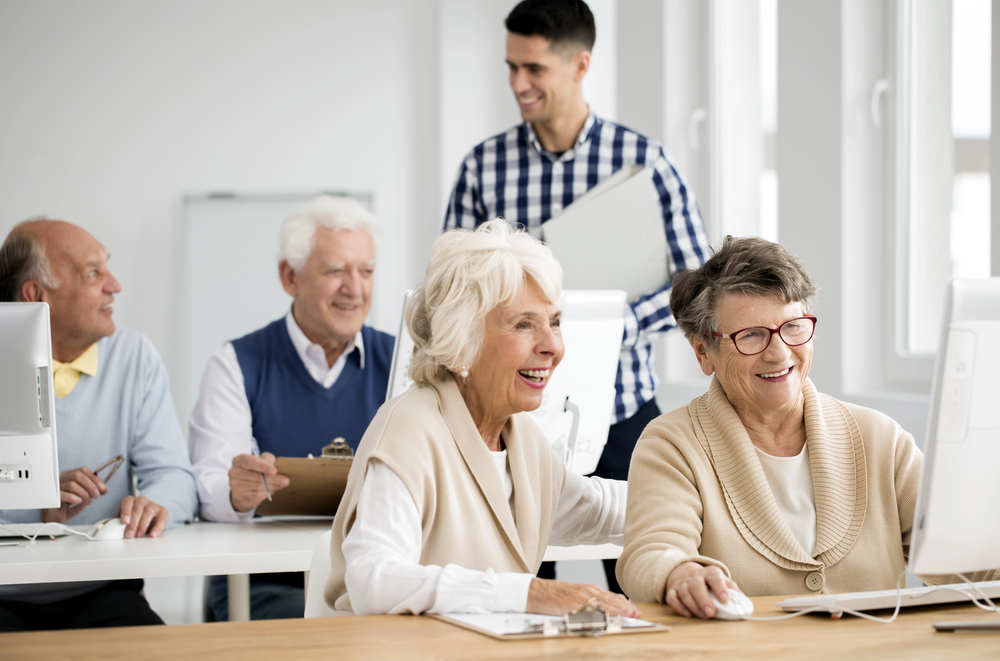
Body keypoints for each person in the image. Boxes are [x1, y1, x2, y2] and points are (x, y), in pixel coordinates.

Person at [443, 0, 709, 592]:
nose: (518, 83)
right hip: (508, 418)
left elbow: (697, 286)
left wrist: (607, 324)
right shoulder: (483, 168)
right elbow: (450, 292)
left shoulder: (644, 162)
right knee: (514, 590)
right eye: (511, 67)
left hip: (622, 412)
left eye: (533, 69)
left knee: (653, 577)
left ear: (580, 64)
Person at [617, 236, 1000, 619]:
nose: (780, 352)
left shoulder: (880, 439)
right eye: (751, 335)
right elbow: (650, 554)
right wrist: (681, 572)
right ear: (703, 351)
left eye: (794, 327)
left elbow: (966, 561)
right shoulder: (672, 443)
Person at [324, 219, 638, 617]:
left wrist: (705, 495)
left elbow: (595, 508)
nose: (553, 347)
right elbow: (375, 581)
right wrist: (526, 594)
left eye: (554, 322)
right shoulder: (409, 429)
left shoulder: (521, 436)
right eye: (524, 324)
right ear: (463, 341)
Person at [189, 195, 395, 621]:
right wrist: (236, 492)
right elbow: (210, 486)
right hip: (265, 582)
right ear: (289, 276)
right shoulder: (236, 363)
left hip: (375, 578)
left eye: (366, 272)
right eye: (336, 271)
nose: (354, 289)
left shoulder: (403, 362)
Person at [0, 219, 198, 631]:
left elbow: (174, 476)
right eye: (93, 272)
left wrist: (155, 505)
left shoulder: (134, 355)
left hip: (102, 592)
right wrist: (36, 508)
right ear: (36, 294)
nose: (115, 285)